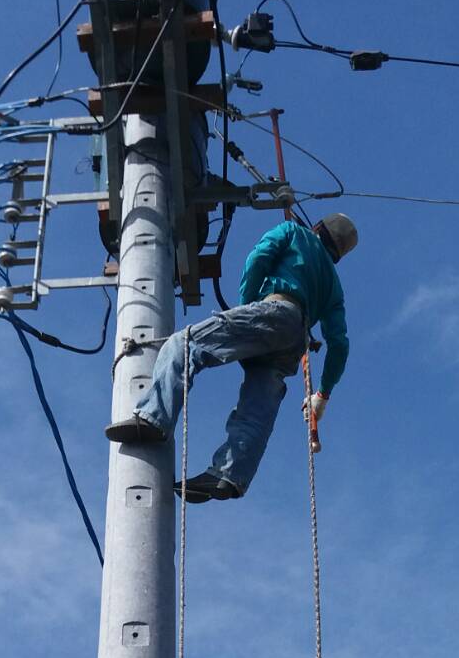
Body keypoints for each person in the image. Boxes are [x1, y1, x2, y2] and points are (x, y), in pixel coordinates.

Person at [105, 212, 357, 502]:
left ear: (317, 227)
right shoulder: (334, 286)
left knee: (185, 344)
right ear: (339, 254)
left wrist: (245, 306)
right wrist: (322, 394)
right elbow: (339, 344)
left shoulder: (293, 232)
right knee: (258, 405)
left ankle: (153, 419)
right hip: (294, 340)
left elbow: (258, 258)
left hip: (274, 311)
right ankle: (230, 474)